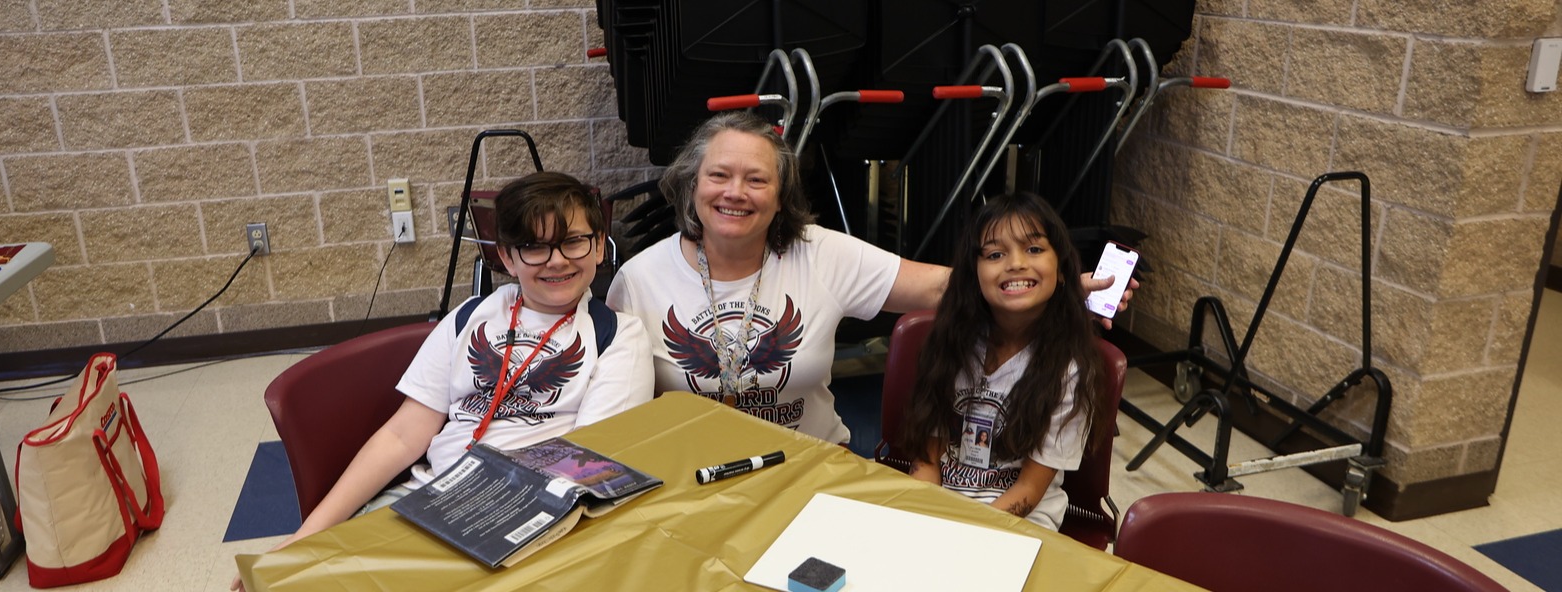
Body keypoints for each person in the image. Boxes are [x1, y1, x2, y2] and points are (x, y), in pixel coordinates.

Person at [231, 172, 652, 590]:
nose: (557, 260)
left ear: (599, 246)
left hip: (525, 516)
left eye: (573, 241)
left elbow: (583, 465)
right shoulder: (471, 315)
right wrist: (302, 538)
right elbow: (402, 436)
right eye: (534, 247)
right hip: (427, 496)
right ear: (507, 257)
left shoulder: (615, 335)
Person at [607, 111, 1133, 444]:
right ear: (691, 183)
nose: (734, 192)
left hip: (812, 468)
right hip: (697, 475)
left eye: (756, 179)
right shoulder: (640, 279)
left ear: (781, 194)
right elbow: (620, 409)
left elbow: (935, 286)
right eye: (719, 175)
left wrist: (1059, 289)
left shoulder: (819, 254)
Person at [900, 191, 1106, 531]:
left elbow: (1029, 490)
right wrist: (927, 517)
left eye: (1034, 249)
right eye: (995, 254)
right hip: (943, 509)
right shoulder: (950, 343)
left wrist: (965, 531)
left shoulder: (1070, 370)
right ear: (974, 273)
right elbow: (927, 460)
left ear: (1063, 270)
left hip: (1019, 520)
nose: (1016, 264)